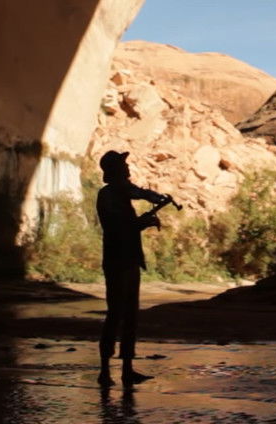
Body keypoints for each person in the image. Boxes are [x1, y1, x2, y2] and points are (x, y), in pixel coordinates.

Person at [95, 150, 168, 387]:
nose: (128, 169)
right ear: (114, 170)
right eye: (123, 166)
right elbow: (119, 228)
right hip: (119, 261)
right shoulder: (108, 195)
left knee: (129, 316)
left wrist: (151, 203)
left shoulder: (118, 193)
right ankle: (105, 372)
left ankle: (125, 370)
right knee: (116, 314)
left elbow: (135, 198)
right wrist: (143, 221)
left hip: (127, 260)